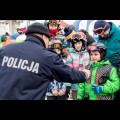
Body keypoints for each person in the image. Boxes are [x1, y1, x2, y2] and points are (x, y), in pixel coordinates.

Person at [0, 22, 90, 100]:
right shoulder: (47, 57)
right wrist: (84, 74)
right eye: (49, 39)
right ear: (44, 37)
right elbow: (69, 74)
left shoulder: (5, 50)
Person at [93, 20, 120, 100]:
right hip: (104, 71)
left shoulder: (118, 34)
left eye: (101, 32)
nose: (100, 34)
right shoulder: (101, 37)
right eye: (97, 33)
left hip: (117, 71)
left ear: (106, 28)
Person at [65, 32, 90, 100]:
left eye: (79, 43)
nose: (77, 45)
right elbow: (68, 70)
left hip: (85, 87)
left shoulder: (87, 54)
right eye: (75, 43)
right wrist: (68, 85)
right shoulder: (71, 55)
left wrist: (88, 87)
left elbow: (89, 71)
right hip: (75, 86)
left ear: (83, 43)